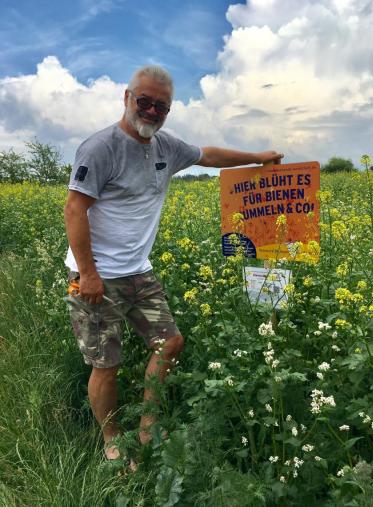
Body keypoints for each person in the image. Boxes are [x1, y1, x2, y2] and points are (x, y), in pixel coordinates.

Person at [64, 65, 283, 462]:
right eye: (143, 101)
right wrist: (89, 273)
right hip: (97, 276)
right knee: (106, 362)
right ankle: (111, 437)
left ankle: (148, 425)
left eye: (160, 106)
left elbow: (208, 154)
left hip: (138, 270)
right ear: (126, 97)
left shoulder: (166, 146)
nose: (150, 111)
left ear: (168, 110)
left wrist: (258, 157)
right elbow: (75, 209)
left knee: (171, 343)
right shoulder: (100, 148)